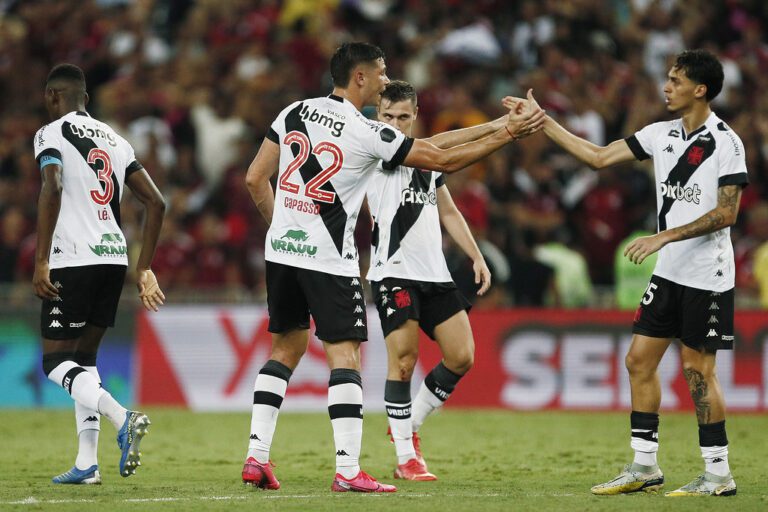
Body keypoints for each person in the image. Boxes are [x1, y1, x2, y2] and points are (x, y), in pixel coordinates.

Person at [243, 42, 544, 493]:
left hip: (282, 253)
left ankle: (256, 458)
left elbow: (254, 178)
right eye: (381, 73)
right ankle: (347, 471)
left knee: (284, 349)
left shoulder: (293, 111)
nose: (386, 80)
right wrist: (509, 134)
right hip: (329, 259)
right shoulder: (365, 131)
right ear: (360, 77)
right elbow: (439, 158)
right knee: (345, 357)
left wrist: (282, 229)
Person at [522, 49, 746, 497]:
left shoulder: (726, 142)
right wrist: (542, 121)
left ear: (699, 89)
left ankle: (719, 474)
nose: (666, 86)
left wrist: (664, 236)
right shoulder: (660, 134)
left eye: (675, 80)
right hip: (669, 273)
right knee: (638, 361)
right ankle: (645, 467)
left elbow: (727, 213)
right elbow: (599, 157)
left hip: (708, 274)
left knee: (698, 371)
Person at [367, 80, 520, 481]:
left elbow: (448, 212)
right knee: (403, 361)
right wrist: (503, 129)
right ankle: (405, 457)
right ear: (377, 116)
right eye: (388, 116)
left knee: (462, 356)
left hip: (434, 273)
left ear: (415, 115)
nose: (396, 125)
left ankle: (409, 426)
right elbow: (444, 147)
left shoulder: (426, 160)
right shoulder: (374, 149)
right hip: (393, 272)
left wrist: (476, 255)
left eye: (403, 117)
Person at [33, 64, 166, 484]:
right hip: (114, 261)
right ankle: (87, 463)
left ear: (54, 96)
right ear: (86, 98)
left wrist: (41, 261)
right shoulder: (116, 140)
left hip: (75, 259)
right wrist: (144, 267)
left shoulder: (50, 133)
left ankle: (121, 416)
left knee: (55, 362)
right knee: (83, 360)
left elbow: (51, 186)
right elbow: (157, 203)